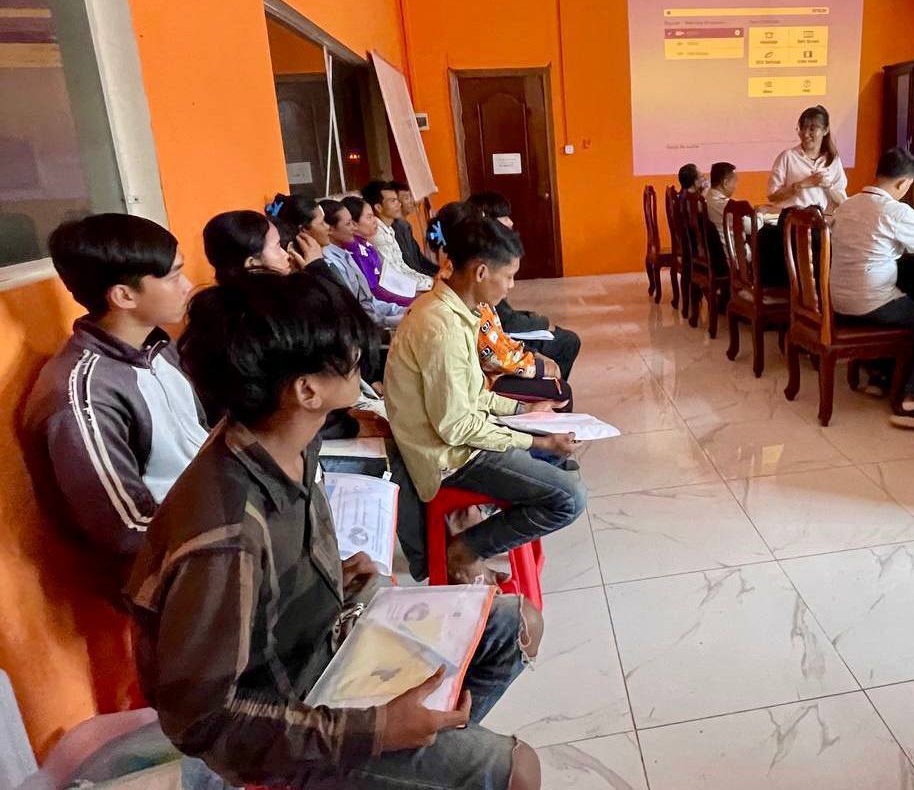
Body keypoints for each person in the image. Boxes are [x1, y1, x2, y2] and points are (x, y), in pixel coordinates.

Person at [130, 272, 543, 789]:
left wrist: (326, 577)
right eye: (347, 354)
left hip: (322, 644)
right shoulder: (227, 535)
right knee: (516, 770)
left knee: (515, 624)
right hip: (284, 721)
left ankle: (421, 761)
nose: (360, 359)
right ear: (306, 390)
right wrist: (372, 730)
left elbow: (268, 588)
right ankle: (412, 762)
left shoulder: (285, 439)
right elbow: (203, 722)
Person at [385, 213, 587, 586]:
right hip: (450, 459)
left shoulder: (457, 312)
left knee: (560, 467)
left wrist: (524, 410)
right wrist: (536, 441)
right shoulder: (440, 327)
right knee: (569, 497)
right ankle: (464, 551)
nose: (511, 286)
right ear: (481, 272)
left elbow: (475, 395)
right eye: (508, 276)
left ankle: (475, 537)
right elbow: (456, 427)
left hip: (460, 441)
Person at [24, 214, 204, 593]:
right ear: (124, 296)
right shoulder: (82, 395)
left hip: (210, 518)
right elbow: (127, 530)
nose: (187, 285)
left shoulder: (157, 347)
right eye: (173, 276)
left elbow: (200, 436)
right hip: (172, 571)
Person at [830, 147, 914, 430]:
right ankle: (913, 402)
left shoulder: (847, 205)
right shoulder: (895, 210)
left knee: (907, 297)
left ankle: (879, 377)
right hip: (871, 302)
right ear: (904, 183)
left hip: (838, 299)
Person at [464, 192, 583, 380]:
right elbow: (495, 346)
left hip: (502, 350)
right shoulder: (475, 284)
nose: (510, 222)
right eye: (504, 217)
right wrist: (535, 363)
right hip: (495, 371)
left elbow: (497, 330)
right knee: (566, 343)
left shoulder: (478, 284)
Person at [319, 199, 406, 330]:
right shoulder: (331, 263)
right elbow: (355, 310)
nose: (354, 228)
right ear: (330, 229)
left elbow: (370, 302)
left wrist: (403, 310)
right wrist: (393, 320)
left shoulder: (345, 254)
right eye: (348, 224)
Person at [203, 209, 332, 284]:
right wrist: (318, 268)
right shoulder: (282, 305)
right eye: (277, 246)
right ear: (252, 263)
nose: (286, 255)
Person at [767, 105, 848, 211]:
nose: (805, 134)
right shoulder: (788, 157)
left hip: (821, 218)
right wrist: (801, 185)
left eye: (812, 129)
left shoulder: (833, 160)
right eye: (803, 128)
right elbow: (773, 197)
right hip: (790, 218)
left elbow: (841, 201)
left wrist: (828, 186)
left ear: (825, 130)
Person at [338, 195, 415, 308]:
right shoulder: (356, 252)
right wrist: (411, 301)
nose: (375, 221)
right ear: (354, 224)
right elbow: (376, 291)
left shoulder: (367, 246)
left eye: (373, 216)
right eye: (369, 217)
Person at [364, 180, 434, 293]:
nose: (399, 204)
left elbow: (403, 266)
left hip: (411, 286)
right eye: (393, 201)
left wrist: (430, 281)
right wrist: (429, 283)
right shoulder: (377, 234)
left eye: (397, 200)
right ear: (378, 207)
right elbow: (394, 275)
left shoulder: (389, 229)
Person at [391, 181, 438, 276]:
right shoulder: (396, 229)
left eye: (411, 196)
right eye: (406, 198)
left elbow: (420, 259)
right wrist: (433, 276)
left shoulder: (406, 226)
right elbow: (410, 265)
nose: (412, 201)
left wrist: (438, 271)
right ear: (397, 203)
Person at [703, 161, 737, 259]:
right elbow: (748, 226)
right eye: (734, 182)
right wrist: (759, 214)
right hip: (732, 255)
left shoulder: (707, 198)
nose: (735, 186)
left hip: (715, 253)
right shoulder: (723, 205)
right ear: (725, 183)